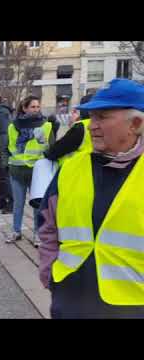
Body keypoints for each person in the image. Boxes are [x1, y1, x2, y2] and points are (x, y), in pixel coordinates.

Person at [38, 78, 144, 318]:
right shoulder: (72, 168)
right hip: (70, 298)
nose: (91, 126)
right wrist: (50, 273)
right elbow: (46, 225)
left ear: (136, 124)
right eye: (91, 117)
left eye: (102, 117)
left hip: (132, 304)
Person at [5, 95, 54, 247]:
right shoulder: (13, 126)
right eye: (32, 106)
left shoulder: (46, 126)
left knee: (37, 205)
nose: (36, 109)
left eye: (37, 106)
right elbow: (10, 146)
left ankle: (37, 234)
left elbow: (51, 147)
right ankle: (16, 231)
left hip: (37, 172)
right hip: (17, 170)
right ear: (24, 108)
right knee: (17, 204)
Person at [43, 94, 93, 166]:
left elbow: (57, 149)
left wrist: (74, 124)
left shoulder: (81, 126)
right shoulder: (105, 123)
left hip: (76, 168)